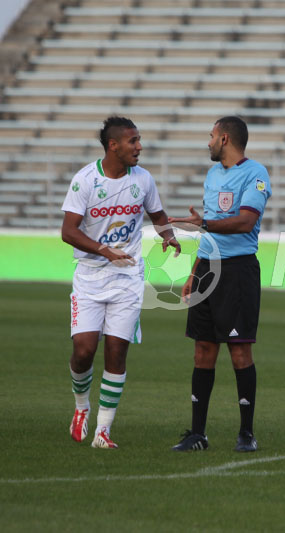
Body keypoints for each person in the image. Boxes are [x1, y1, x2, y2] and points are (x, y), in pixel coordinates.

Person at [61, 116, 180, 449]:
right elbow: (68, 231)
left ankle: (103, 431)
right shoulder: (85, 180)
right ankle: (81, 408)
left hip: (127, 276)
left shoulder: (143, 180)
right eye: (133, 141)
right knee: (84, 351)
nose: (139, 147)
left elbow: (157, 216)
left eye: (139, 140)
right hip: (90, 276)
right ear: (113, 145)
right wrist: (103, 250)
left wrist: (168, 236)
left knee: (116, 350)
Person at [168, 116, 271, 452]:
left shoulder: (256, 173)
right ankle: (197, 433)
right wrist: (194, 271)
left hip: (238, 272)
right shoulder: (213, 174)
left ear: (225, 139)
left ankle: (246, 433)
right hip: (207, 269)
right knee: (203, 349)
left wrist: (206, 223)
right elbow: (208, 232)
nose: (208, 141)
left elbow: (245, 222)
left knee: (239, 351)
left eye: (211, 136)